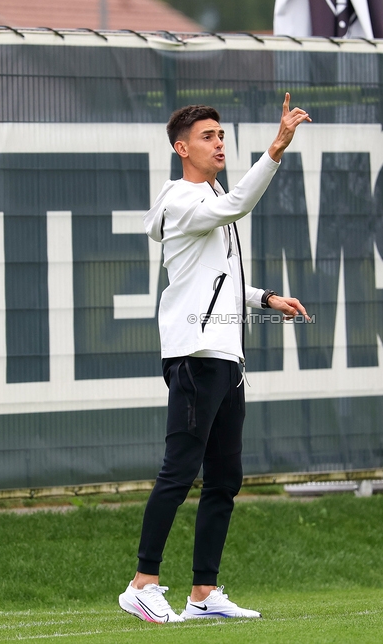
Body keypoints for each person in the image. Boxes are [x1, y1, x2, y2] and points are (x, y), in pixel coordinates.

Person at [118, 94, 311, 623]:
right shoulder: (183, 198)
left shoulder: (213, 196)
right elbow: (238, 206)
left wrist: (266, 298)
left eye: (221, 134)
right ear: (182, 148)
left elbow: (220, 278)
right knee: (178, 472)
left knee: (225, 479)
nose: (219, 141)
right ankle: (142, 582)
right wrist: (275, 148)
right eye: (208, 136)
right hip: (195, 355)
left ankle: (203, 593)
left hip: (227, 358)